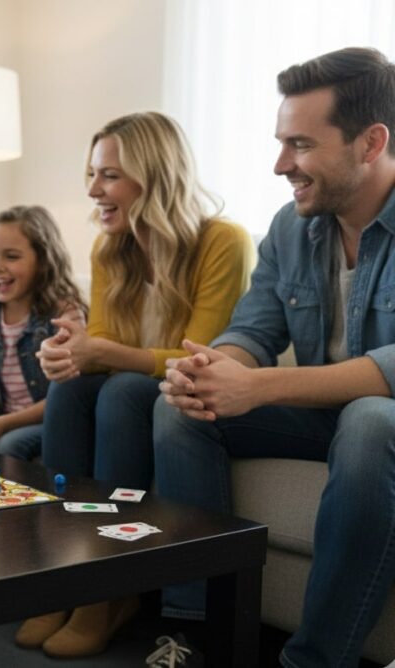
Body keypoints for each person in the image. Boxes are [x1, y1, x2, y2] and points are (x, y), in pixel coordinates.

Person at [155, 47, 395, 668]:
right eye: (281, 142)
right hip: (329, 419)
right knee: (180, 410)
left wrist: (259, 388)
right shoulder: (291, 226)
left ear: (371, 143)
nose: (280, 164)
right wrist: (210, 370)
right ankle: (196, 636)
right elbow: (252, 330)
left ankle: (314, 662)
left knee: (370, 420)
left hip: (380, 425)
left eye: (301, 145)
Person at [20, 111, 252, 658]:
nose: (94, 190)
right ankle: (64, 578)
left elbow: (201, 358)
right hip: (132, 392)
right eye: (93, 174)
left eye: (109, 176)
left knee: (123, 389)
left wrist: (101, 351)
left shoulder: (223, 241)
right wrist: (68, 355)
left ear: (155, 176)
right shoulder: (110, 249)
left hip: (187, 396)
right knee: (72, 391)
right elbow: (99, 347)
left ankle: (108, 589)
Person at [0, 206, 86, 460]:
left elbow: (64, 399)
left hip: (51, 420)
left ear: (43, 261)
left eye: (11, 256)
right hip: (2, 417)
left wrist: (3, 424)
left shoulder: (64, 316)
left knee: (9, 446)